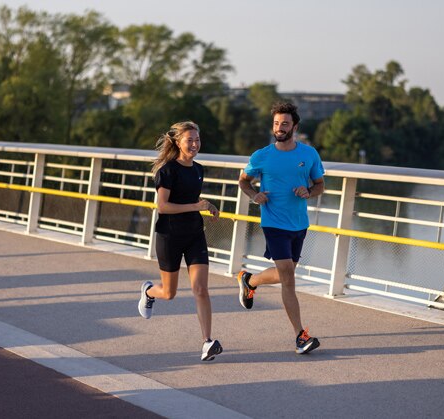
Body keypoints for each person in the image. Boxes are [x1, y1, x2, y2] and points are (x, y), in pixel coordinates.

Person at [237, 102, 325, 354]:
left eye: (285, 124)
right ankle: (300, 336)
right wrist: (254, 195)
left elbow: (320, 185)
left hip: (299, 223)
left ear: (294, 127)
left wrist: (308, 191)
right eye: (276, 123)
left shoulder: (309, 154)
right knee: (288, 278)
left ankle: (249, 280)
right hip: (273, 222)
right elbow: (243, 181)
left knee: (286, 274)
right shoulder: (261, 156)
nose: (279, 128)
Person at [138, 121, 223, 361]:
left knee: (201, 289)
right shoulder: (167, 170)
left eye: (197, 139)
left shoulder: (198, 169)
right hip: (169, 236)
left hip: (195, 234)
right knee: (169, 293)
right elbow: (163, 206)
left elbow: (190, 199)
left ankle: (207, 342)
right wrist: (195, 206)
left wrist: (207, 205)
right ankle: (149, 291)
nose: (195, 144)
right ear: (177, 142)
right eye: (189, 140)